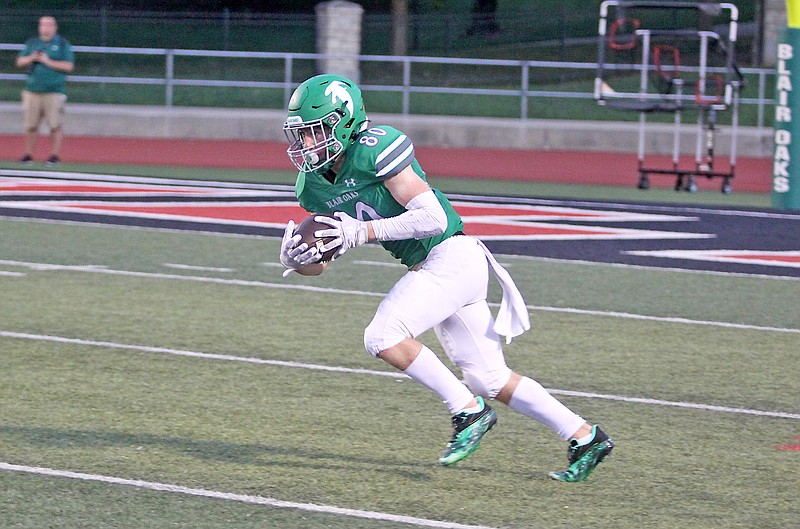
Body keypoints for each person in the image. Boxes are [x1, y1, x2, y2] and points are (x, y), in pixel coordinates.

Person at [279, 74, 614, 482]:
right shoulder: (311, 186)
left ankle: (467, 412)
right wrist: (299, 260)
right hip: (443, 269)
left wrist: (363, 231)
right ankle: (585, 436)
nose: (307, 145)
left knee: (383, 336)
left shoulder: (374, 148)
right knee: (488, 377)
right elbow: (323, 261)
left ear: (345, 123)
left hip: (451, 256)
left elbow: (432, 217)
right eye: (302, 135)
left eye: (316, 132)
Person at [15, 15, 74, 166]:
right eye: (43, 25)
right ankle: (28, 155)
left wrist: (47, 61)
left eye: (49, 25)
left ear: (55, 27)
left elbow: (68, 66)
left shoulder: (62, 44)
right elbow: (19, 62)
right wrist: (31, 58)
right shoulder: (32, 43)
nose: (46, 28)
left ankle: (54, 155)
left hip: (54, 91)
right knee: (30, 125)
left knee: (55, 125)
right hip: (32, 90)